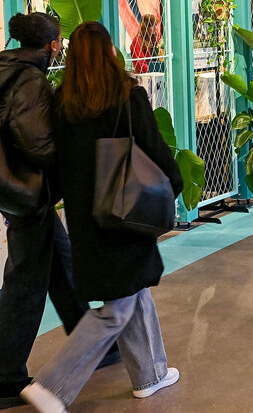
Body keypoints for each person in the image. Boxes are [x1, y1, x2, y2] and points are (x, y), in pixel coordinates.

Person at [20, 21, 183, 412]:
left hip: (88, 219)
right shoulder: (128, 96)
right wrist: (172, 190)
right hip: (127, 211)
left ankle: (151, 374)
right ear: (110, 52)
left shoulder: (62, 105)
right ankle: (51, 387)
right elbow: (157, 154)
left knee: (132, 289)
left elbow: (57, 165)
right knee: (116, 308)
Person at [0, 14, 105, 408]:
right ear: (50, 45)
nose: (60, 47)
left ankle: (90, 340)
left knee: (60, 263)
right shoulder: (29, 80)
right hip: (28, 192)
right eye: (58, 41)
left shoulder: (7, 67)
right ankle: (5, 374)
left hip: (17, 191)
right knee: (26, 282)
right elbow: (38, 142)